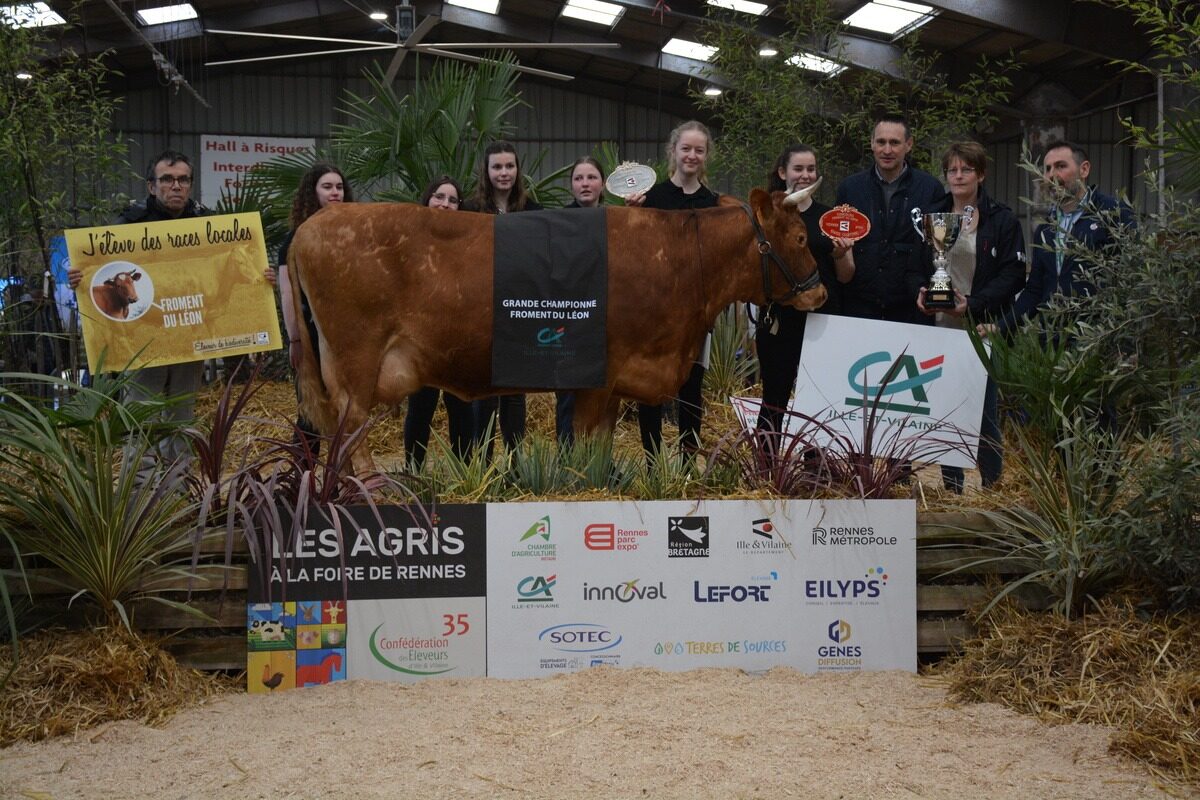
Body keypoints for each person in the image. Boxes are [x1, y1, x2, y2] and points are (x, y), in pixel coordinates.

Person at [66, 150, 243, 466]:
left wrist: (261, 276)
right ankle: (140, 485)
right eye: (167, 180)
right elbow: (101, 269)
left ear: (190, 184)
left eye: (183, 180)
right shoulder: (128, 223)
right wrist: (79, 276)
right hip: (143, 336)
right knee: (141, 409)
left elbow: (233, 269)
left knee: (183, 409)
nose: (175, 186)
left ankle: (179, 485)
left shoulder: (208, 223)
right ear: (151, 186)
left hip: (190, 334)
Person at [911, 141, 1027, 492]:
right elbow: (917, 266)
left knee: (985, 411)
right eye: (952, 170)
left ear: (981, 174)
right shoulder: (931, 215)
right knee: (946, 409)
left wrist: (973, 303)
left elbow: (1014, 275)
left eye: (966, 169)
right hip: (938, 327)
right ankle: (951, 486)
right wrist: (922, 292)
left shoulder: (1002, 219)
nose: (958, 176)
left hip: (981, 326)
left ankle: (992, 486)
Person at [626, 120, 719, 462]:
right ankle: (652, 462)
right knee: (651, 386)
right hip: (655, 311)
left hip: (696, 313)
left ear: (705, 155)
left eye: (699, 150)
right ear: (674, 152)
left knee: (691, 387)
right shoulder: (652, 198)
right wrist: (632, 217)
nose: (692, 155)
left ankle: (686, 461)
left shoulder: (714, 204)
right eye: (686, 149)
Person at [754, 144, 854, 439]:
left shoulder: (831, 218)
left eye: (811, 169)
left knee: (819, 399)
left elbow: (846, 277)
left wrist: (841, 254)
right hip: (780, 319)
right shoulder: (766, 217)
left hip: (824, 319)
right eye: (798, 169)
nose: (806, 175)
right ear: (783, 172)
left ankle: (815, 469)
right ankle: (767, 467)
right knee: (774, 395)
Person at [462, 141, 543, 460]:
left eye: (510, 166)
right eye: (497, 167)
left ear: (517, 170)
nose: (504, 173)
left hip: (520, 315)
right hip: (479, 313)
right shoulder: (470, 211)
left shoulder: (533, 211)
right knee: (484, 393)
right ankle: (481, 466)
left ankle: (516, 464)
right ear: (487, 171)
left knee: (514, 394)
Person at [835, 113, 946, 323]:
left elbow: (937, 249)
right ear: (872, 144)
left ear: (909, 144)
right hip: (858, 308)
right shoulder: (849, 189)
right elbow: (840, 246)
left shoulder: (930, 189)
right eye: (881, 142)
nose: (887, 150)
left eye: (894, 143)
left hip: (911, 309)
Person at [1010, 140, 1134, 325]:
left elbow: (1132, 278)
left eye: (1060, 166)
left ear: (1083, 170)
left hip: (1099, 339)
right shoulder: (1045, 229)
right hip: (1052, 343)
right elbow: (1035, 290)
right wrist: (999, 327)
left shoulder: (1114, 213)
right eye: (1048, 169)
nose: (1052, 175)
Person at [277, 163, 353, 449]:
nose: (335, 192)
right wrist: (295, 339)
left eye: (339, 187)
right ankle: (302, 483)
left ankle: (340, 485)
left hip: (345, 338)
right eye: (327, 187)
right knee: (311, 414)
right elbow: (287, 293)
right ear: (313, 192)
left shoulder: (352, 237)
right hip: (309, 334)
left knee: (344, 410)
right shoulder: (296, 238)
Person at [403, 176, 473, 469]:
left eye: (453, 200)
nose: (445, 204)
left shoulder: (469, 243)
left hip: (459, 340)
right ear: (427, 199)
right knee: (420, 408)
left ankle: (464, 475)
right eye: (439, 197)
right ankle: (414, 471)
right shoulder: (410, 242)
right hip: (421, 341)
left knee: (462, 409)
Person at [554, 156, 607, 445]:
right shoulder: (558, 221)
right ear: (572, 185)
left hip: (606, 320)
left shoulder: (617, 221)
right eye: (578, 178)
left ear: (603, 183)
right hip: (569, 319)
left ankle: (598, 461)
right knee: (568, 392)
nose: (585, 184)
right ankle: (566, 457)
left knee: (603, 392)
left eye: (591, 177)